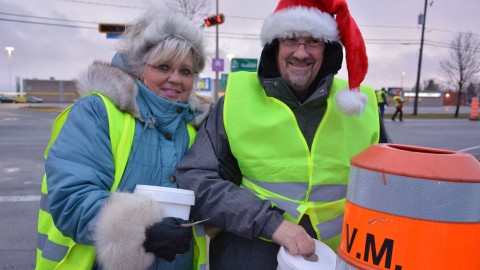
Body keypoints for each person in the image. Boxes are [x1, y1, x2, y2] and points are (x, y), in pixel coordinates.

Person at [176, 0, 390, 269]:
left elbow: (390, 192)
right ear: (275, 45)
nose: (301, 53)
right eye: (290, 39)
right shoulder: (236, 99)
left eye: (313, 41)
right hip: (248, 257)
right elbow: (196, 177)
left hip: (337, 261)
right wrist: (270, 223)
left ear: (328, 49)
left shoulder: (362, 106)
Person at [35, 7, 211, 270]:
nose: (175, 79)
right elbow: (71, 199)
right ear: (140, 68)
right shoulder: (98, 112)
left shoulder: (193, 128)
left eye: (186, 71)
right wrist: (145, 230)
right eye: (163, 67)